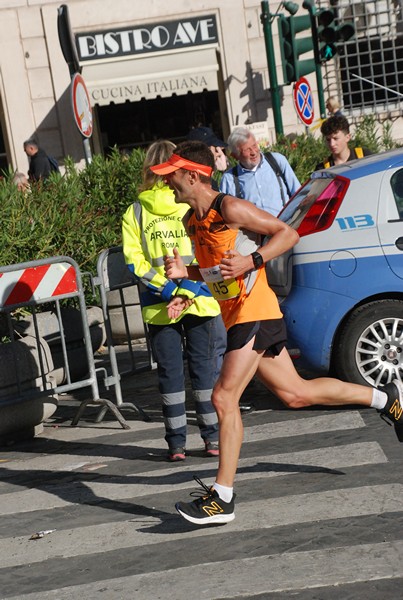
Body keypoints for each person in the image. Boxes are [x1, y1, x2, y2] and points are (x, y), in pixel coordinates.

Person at [150, 140, 403, 525]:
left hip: (256, 311)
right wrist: (188, 281)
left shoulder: (230, 207)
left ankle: (222, 498)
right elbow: (221, 273)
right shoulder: (192, 222)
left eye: (171, 177)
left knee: (223, 397)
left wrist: (254, 260)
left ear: (192, 175)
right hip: (236, 314)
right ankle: (387, 399)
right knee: (296, 393)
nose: (168, 184)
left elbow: (287, 234)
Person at [122, 140, 226, 462]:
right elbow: (208, 253)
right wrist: (187, 291)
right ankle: (212, 439)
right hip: (202, 300)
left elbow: (135, 263)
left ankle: (176, 444)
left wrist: (168, 291)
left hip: (158, 305)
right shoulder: (192, 202)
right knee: (205, 373)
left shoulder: (135, 211)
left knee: (170, 376)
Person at [219, 126, 300, 217]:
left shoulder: (277, 160)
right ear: (235, 156)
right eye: (247, 150)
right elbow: (227, 214)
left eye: (254, 145)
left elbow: (298, 194)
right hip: (253, 230)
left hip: (286, 225)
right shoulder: (229, 179)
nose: (253, 152)